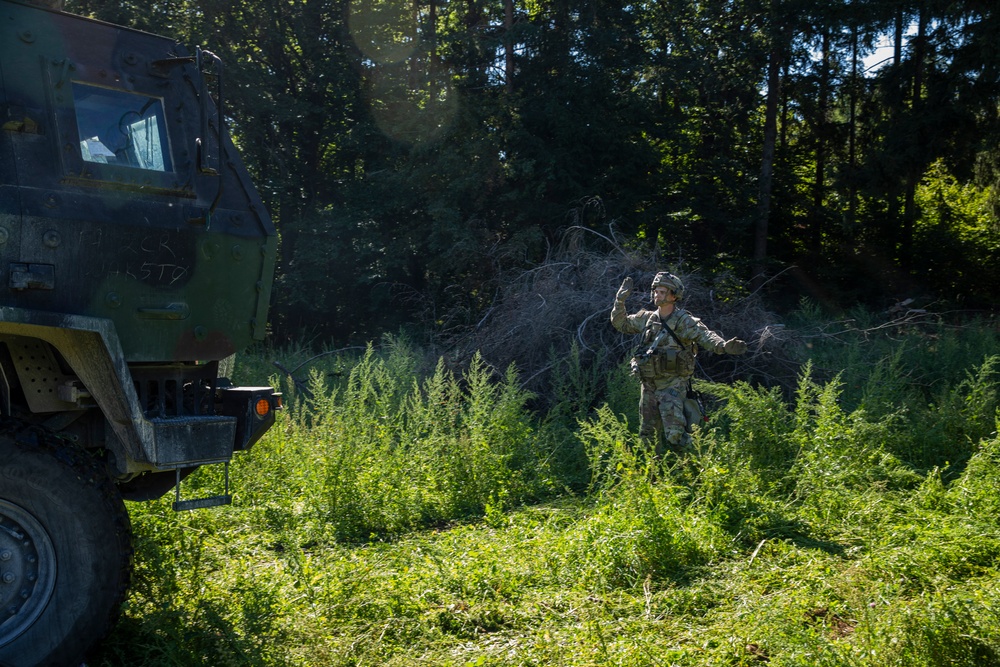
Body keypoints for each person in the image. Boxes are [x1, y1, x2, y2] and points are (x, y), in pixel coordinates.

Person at [611, 272, 747, 457]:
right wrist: (620, 300)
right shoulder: (648, 318)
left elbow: (706, 336)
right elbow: (621, 324)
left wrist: (723, 346)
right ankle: (653, 477)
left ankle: (702, 467)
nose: (657, 295)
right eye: (656, 291)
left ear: (674, 295)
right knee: (647, 437)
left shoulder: (684, 321)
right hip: (648, 385)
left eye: (662, 292)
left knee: (676, 436)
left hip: (672, 385)